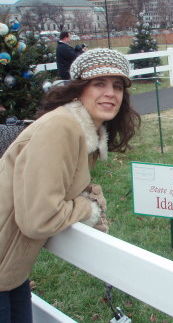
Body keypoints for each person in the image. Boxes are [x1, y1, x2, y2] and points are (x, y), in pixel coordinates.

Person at [0, 48, 140, 323]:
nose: (110, 93)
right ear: (79, 90)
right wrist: (87, 209)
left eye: (117, 86)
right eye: (99, 83)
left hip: (11, 272)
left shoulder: (85, 131)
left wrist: (84, 193)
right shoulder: (61, 128)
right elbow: (39, 219)